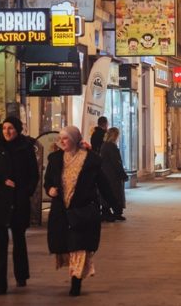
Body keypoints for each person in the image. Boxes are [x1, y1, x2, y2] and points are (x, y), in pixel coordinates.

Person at [45, 126, 116, 297]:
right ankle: (74, 276)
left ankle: (75, 283)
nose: (61, 141)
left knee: (79, 247)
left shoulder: (91, 160)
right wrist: (50, 190)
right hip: (62, 211)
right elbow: (47, 181)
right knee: (67, 246)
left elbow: (103, 183)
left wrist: (114, 203)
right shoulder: (55, 159)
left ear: (75, 139)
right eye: (60, 138)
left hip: (83, 210)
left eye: (65, 138)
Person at [0, 117, 39, 295]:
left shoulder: (26, 147)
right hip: (1, 201)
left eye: (11, 128)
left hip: (19, 201)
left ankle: (21, 275)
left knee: (19, 240)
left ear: (18, 130)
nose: (7, 131)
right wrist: (1, 180)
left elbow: (34, 175)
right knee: (0, 244)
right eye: (5, 128)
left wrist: (26, 192)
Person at [99, 127, 128, 222]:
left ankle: (108, 212)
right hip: (112, 175)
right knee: (115, 193)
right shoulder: (111, 146)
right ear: (114, 136)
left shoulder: (104, 145)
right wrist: (122, 174)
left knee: (108, 193)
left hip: (105, 173)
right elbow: (116, 162)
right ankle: (115, 212)